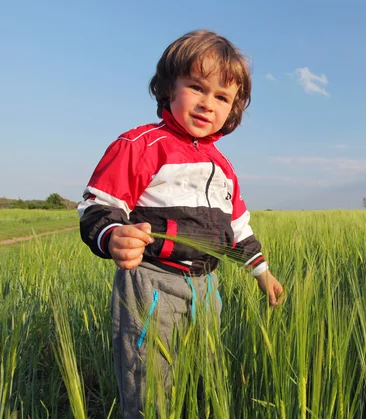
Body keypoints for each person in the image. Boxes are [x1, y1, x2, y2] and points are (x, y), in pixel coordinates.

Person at [78, 29, 283, 417]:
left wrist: (262, 273)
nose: (208, 104)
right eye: (197, 87)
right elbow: (98, 205)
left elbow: (237, 228)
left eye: (222, 97)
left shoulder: (224, 168)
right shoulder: (141, 145)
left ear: (233, 109)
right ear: (168, 88)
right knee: (150, 382)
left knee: (198, 376)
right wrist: (112, 235)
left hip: (208, 288)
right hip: (153, 284)